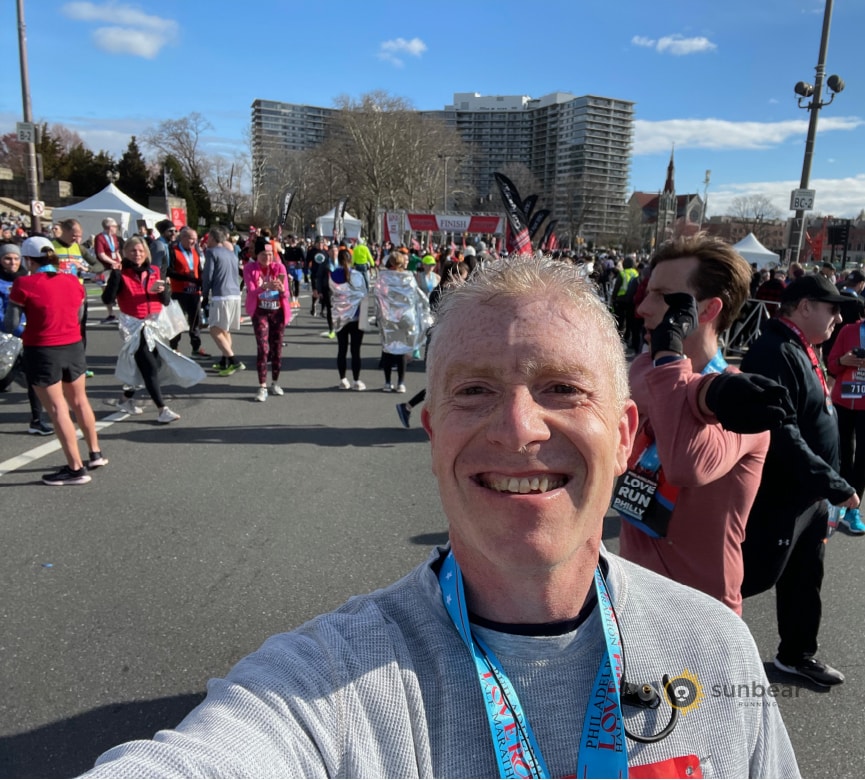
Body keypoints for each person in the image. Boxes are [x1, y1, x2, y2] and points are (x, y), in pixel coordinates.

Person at [82, 256, 797, 778]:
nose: (518, 428)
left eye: (560, 388)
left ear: (623, 436)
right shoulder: (324, 683)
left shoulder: (715, 646)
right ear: (432, 434)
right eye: (475, 390)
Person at [619, 234, 784, 616]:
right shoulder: (646, 370)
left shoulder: (746, 403)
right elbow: (645, 393)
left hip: (702, 614)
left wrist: (692, 378)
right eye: (646, 292)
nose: (642, 307)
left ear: (707, 310)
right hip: (633, 596)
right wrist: (703, 391)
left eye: (662, 296)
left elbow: (685, 462)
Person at [741, 273, 859, 687]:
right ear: (804, 306)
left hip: (808, 497)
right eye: (832, 308)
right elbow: (781, 433)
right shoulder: (775, 350)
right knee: (750, 576)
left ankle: (796, 655)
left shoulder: (799, 345)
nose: (839, 318)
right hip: (781, 494)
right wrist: (834, 483)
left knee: (806, 577)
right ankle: (685, 644)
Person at [4, 237, 106, 485]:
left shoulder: (24, 283)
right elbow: (79, 314)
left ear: (28, 260)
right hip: (72, 345)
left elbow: (10, 324)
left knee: (58, 408)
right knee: (80, 400)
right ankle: (95, 453)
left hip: (42, 349)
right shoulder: (72, 280)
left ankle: (75, 468)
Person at [101, 236, 194, 424]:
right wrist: (115, 277)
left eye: (141, 251)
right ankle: (162, 409)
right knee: (149, 366)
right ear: (125, 253)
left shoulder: (153, 270)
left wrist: (163, 290)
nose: (137, 254)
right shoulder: (121, 274)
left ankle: (125, 399)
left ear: (147, 253)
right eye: (133, 251)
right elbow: (107, 299)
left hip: (154, 325)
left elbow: (166, 301)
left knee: (152, 365)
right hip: (134, 327)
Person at [0, 242, 52, 435]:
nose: (12, 262)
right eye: (7, 258)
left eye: (15, 258)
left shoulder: (27, 278)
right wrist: (17, 331)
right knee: (4, 380)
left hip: (27, 337)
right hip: (6, 337)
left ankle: (36, 420)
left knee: (34, 380)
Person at [827, 309, 865, 534]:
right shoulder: (849, 330)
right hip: (843, 401)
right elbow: (831, 365)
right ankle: (838, 502)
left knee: (862, 457)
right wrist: (844, 360)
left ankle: (853, 509)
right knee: (842, 453)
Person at [373, 251, 432, 394]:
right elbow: (417, 297)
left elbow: (377, 297)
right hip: (406, 318)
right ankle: (401, 383)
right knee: (402, 351)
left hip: (388, 318)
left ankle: (387, 383)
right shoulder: (408, 277)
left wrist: (377, 316)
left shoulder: (383, 277)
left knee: (388, 349)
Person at [243, 236, 290, 402]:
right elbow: (251, 291)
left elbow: (286, 294)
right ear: (257, 254)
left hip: (277, 312)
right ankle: (262, 386)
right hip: (260, 312)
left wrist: (280, 290)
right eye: (263, 254)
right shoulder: (250, 268)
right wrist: (265, 287)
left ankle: (275, 382)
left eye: (270, 254)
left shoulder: (280, 268)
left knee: (276, 348)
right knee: (263, 349)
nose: (267, 258)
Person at [202, 225, 244, 376]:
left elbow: (208, 275)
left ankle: (233, 360)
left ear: (212, 238)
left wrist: (204, 294)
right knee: (224, 328)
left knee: (214, 328)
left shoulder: (211, 252)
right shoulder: (231, 254)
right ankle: (225, 361)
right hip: (234, 293)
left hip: (221, 294)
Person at [167, 226, 209, 359]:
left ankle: (196, 348)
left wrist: (202, 281)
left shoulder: (195, 249)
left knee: (195, 322)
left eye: (196, 239)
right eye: (191, 239)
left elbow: (198, 268)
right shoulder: (173, 250)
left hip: (194, 291)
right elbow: (169, 271)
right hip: (179, 291)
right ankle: (173, 347)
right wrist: (187, 278)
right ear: (183, 237)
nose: (194, 242)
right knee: (177, 321)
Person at [329, 247, 367, 390]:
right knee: (356, 351)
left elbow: (331, 294)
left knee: (342, 349)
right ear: (351, 260)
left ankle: (343, 379)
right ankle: (356, 380)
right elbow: (364, 294)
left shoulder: (333, 275)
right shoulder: (358, 275)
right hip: (356, 316)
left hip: (339, 317)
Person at [93, 217, 123, 323]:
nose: (116, 228)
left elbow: (117, 251)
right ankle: (110, 314)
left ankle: (122, 312)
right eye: (115, 226)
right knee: (106, 290)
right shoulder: (99, 238)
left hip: (115, 267)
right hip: (104, 267)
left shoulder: (114, 237)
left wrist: (120, 262)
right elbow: (101, 254)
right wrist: (113, 262)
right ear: (110, 227)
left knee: (119, 287)